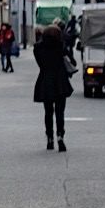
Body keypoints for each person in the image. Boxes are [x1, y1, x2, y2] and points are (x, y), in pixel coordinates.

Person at [33, 22, 73, 152]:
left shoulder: (38, 49)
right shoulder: (60, 47)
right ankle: (60, 136)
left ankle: (49, 137)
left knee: (48, 112)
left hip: (46, 81)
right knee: (60, 112)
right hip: (60, 81)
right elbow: (70, 59)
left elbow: (39, 63)